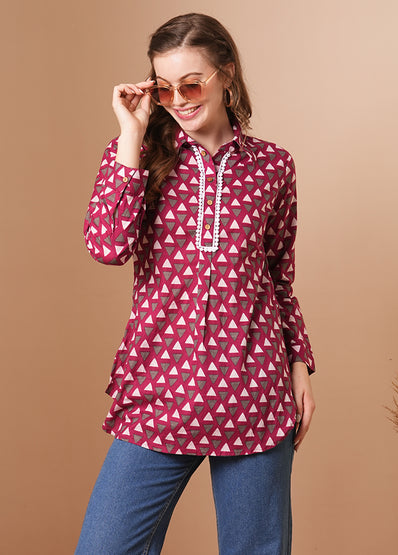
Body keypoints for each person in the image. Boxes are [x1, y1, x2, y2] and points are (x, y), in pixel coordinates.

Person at [75, 12, 316, 555]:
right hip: (161, 388)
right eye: (164, 89)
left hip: (255, 389)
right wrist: (131, 134)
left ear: (226, 74)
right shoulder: (139, 157)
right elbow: (107, 247)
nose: (179, 101)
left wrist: (299, 365)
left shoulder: (273, 167)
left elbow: (279, 277)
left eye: (191, 84)